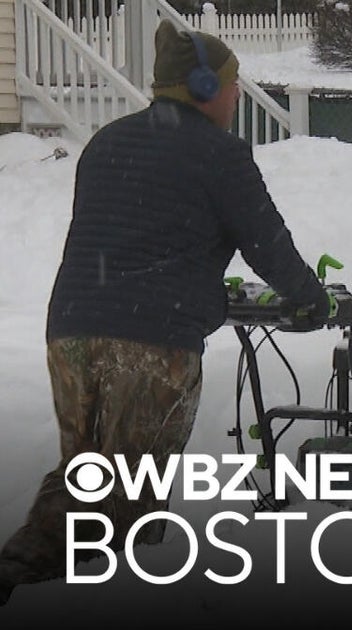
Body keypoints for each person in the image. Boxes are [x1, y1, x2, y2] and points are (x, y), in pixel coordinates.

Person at [0, 20, 330, 605]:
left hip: (71, 332)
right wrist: (309, 297)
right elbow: (267, 243)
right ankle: (26, 579)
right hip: (149, 346)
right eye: (231, 84)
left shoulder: (107, 143)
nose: (235, 95)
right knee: (128, 498)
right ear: (202, 86)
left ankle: (43, 578)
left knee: (91, 480)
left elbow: (136, 235)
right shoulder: (220, 154)